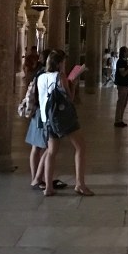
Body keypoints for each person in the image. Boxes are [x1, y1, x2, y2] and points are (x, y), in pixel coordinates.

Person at [36, 49, 93, 196]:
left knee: (51, 152)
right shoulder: (60, 76)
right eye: (64, 62)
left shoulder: (41, 77)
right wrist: (73, 84)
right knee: (80, 147)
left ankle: (48, 187)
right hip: (63, 118)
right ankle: (80, 184)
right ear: (59, 63)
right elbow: (70, 99)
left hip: (47, 118)